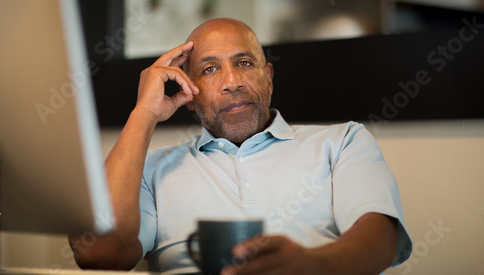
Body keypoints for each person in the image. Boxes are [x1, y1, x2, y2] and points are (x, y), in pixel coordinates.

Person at [70, 18, 412, 274]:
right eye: (209, 69)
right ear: (188, 93)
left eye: (244, 63)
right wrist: (143, 113)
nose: (232, 82)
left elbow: (380, 242)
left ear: (269, 77)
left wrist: (311, 265)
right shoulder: (148, 171)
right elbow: (99, 253)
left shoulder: (343, 142)